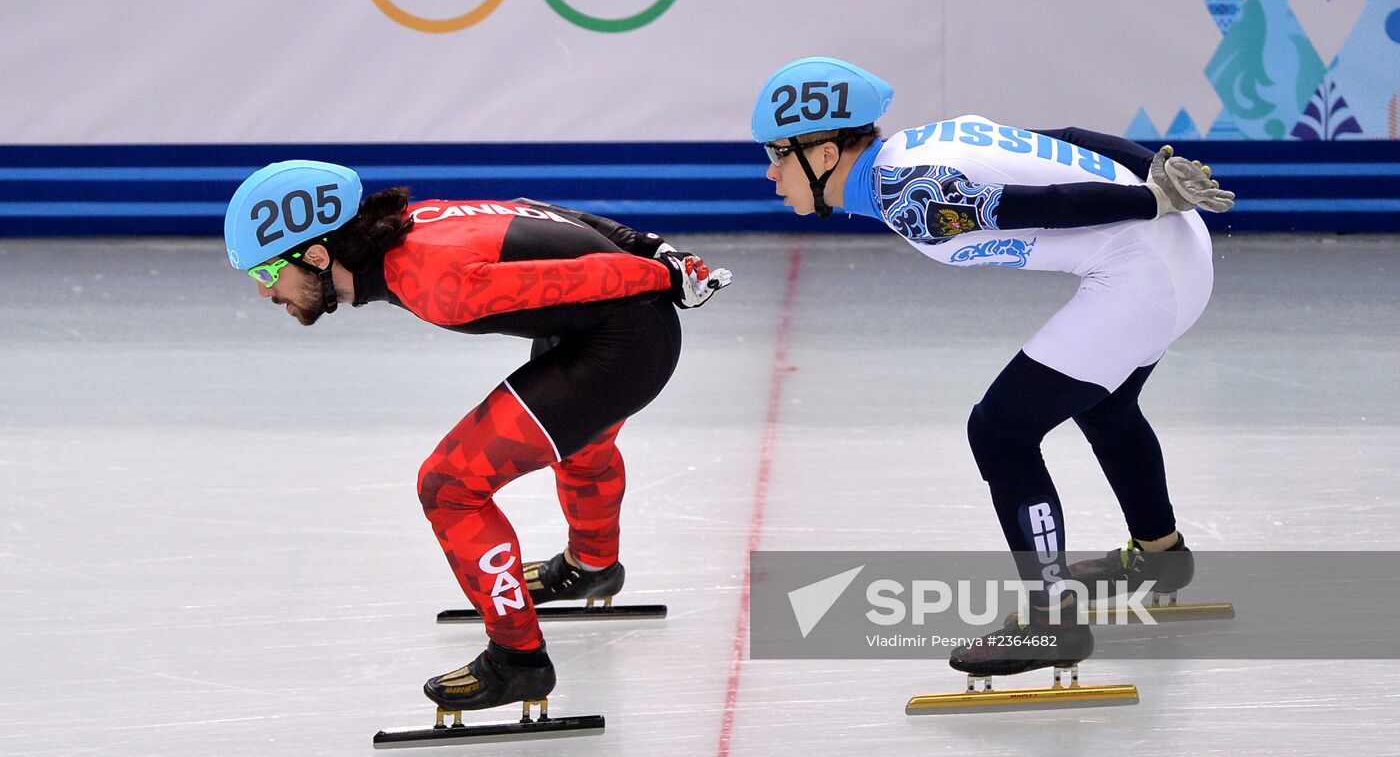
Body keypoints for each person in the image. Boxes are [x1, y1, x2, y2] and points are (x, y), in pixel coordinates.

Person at [750, 57, 1234, 681]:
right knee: (1107, 404)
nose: (769, 171)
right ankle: (1160, 556)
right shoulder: (919, 145)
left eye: (777, 153)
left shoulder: (909, 195)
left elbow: (1049, 204)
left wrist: (1148, 195)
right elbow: (1065, 140)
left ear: (821, 155)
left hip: (1143, 272)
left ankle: (1052, 620)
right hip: (1178, 254)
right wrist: (1150, 171)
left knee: (1000, 431)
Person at [223, 161, 731, 713]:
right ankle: (593, 566)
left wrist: (665, 275)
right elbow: (539, 212)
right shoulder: (413, 222)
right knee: (583, 444)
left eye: (268, 273)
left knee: (448, 487)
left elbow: (573, 278)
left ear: (317, 256)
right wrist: (652, 248)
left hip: (622, 342)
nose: (262, 291)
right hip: (600, 328)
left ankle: (518, 660)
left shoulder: (435, 281)